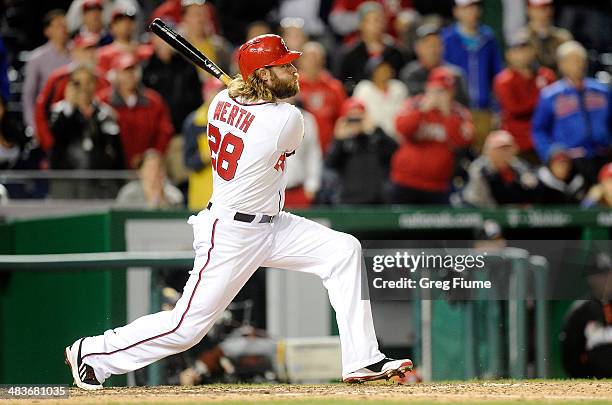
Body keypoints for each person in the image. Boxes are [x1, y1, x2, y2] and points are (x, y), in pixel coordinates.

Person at [64, 34, 412, 390]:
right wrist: (257, 100)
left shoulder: (219, 100)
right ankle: (91, 353)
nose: (293, 71)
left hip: (274, 226)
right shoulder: (286, 120)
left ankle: (363, 359)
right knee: (186, 328)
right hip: (231, 232)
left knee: (344, 250)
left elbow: (244, 104)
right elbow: (275, 125)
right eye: (283, 66)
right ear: (261, 76)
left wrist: (250, 93)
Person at [392, 67, 473, 205]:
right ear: (428, 88)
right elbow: (402, 128)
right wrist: (422, 111)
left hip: (438, 185)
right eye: (436, 90)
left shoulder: (459, 113)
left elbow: (463, 142)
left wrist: (448, 115)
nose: (439, 95)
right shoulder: (414, 104)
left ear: (452, 92)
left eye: (444, 91)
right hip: (405, 181)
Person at [532, 41, 611, 182]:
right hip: (570, 161)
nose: (579, 64)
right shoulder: (551, 95)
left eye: (581, 60)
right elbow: (539, 130)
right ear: (561, 65)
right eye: (573, 60)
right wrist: (550, 154)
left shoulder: (602, 91)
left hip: (603, 155)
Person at [48, 64, 124, 199]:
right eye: (78, 83)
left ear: (95, 84)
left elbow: (115, 150)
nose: (84, 87)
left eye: (88, 82)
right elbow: (56, 137)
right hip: (66, 180)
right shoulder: (59, 111)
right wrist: (70, 106)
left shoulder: (105, 114)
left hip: (98, 181)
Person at [442, 0, 503, 150]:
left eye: (474, 7)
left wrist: (497, 108)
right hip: (456, 112)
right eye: (466, 8)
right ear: (456, 11)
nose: (471, 12)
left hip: (484, 109)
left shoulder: (488, 37)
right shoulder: (447, 38)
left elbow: (497, 75)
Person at [34, 34, 109, 153]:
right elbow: (42, 113)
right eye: (86, 50)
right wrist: (51, 146)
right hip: (64, 145)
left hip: (96, 149)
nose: (91, 55)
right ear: (74, 52)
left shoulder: (103, 80)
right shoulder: (58, 78)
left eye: (94, 50)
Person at [99, 54, 174, 169]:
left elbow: (164, 131)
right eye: (125, 72)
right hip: (112, 167)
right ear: (116, 75)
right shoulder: (103, 101)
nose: (130, 76)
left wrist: (152, 156)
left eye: (133, 71)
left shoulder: (153, 101)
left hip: (147, 167)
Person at [493, 32, 556, 162]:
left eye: (526, 50)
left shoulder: (546, 75)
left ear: (533, 51)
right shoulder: (504, 80)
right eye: (516, 51)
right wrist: (543, 99)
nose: (522, 55)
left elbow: (556, 104)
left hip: (546, 139)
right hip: (517, 141)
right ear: (508, 55)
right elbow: (515, 109)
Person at [326, 98, 398, 204]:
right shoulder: (343, 142)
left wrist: (376, 129)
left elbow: (395, 150)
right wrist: (338, 140)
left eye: (359, 119)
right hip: (349, 199)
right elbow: (330, 164)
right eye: (351, 119)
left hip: (377, 199)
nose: (355, 123)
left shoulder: (375, 138)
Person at [560, 251, 612, 379]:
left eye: (606, 275)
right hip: (593, 380)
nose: (603, 280)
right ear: (590, 279)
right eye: (598, 276)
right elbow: (569, 354)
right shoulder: (580, 311)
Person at [335, 1, 404, 95]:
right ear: (361, 24)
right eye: (372, 20)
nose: (377, 25)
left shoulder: (395, 52)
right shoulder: (350, 54)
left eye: (380, 20)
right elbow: (346, 82)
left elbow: (400, 80)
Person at [21, 10, 71, 133]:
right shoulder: (36, 58)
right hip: (47, 117)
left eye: (65, 25)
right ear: (47, 31)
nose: (63, 29)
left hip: (73, 118)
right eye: (58, 26)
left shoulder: (77, 53)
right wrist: (33, 126)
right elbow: (29, 95)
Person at [461, 130, 539, 207]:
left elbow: (533, 190)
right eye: (501, 149)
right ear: (489, 151)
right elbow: (478, 201)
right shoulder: (480, 169)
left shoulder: (519, 167)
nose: (506, 153)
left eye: (509, 148)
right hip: (482, 210)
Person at [142, 32, 203, 132]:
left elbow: (197, 98)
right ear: (153, 41)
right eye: (160, 38)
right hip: (158, 130)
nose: (163, 42)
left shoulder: (187, 66)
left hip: (186, 128)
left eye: (166, 38)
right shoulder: (147, 69)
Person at [399, 23, 469, 106]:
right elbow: (408, 102)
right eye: (428, 45)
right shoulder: (409, 73)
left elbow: (464, 104)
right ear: (417, 48)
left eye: (436, 44)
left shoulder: (455, 74)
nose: (433, 50)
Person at [298, 41, 347, 153]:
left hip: (329, 149)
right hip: (298, 150)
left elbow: (343, 117)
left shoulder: (334, 87)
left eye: (317, 58)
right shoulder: (290, 86)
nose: (313, 62)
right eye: (309, 58)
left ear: (323, 61)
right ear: (300, 61)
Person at [182, 79, 223, 211]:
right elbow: (188, 162)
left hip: (225, 196)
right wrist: (208, 155)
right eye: (215, 92)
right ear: (206, 94)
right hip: (202, 196)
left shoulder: (230, 120)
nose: (219, 96)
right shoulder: (195, 122)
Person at [353, 57, 408, 141]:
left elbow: (406, 110)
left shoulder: (399, 88)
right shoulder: (364, 89)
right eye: (379, 70)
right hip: (372, 137)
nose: (383, 72)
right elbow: (356, 112)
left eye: (386, 69)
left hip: (397, 136)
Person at [284, 101, 322, 208]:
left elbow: (313, 155)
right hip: (268, 191)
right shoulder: (265, 117)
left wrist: (312, 185)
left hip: (297, 189)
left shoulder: (306, 119)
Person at [116, 149, 184, 209]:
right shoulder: (128, 193)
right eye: (150, 168)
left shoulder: (174, 195)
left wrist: (162, 199)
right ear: (140, 171)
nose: (154, 173)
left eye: (158, 168)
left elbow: (176, 218)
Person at [517, 0, 572, 72]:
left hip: (559, 79)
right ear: (529, 10)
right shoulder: (523, 37)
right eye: (541, 8)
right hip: (534, 80)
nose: (546, 11)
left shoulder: (562, 36)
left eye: (549, 7)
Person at [96, 7, 152, 76]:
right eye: (121, 21)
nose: (126, 24)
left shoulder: (147, 51)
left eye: (130, 20)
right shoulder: (103, 55)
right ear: (112, 27)